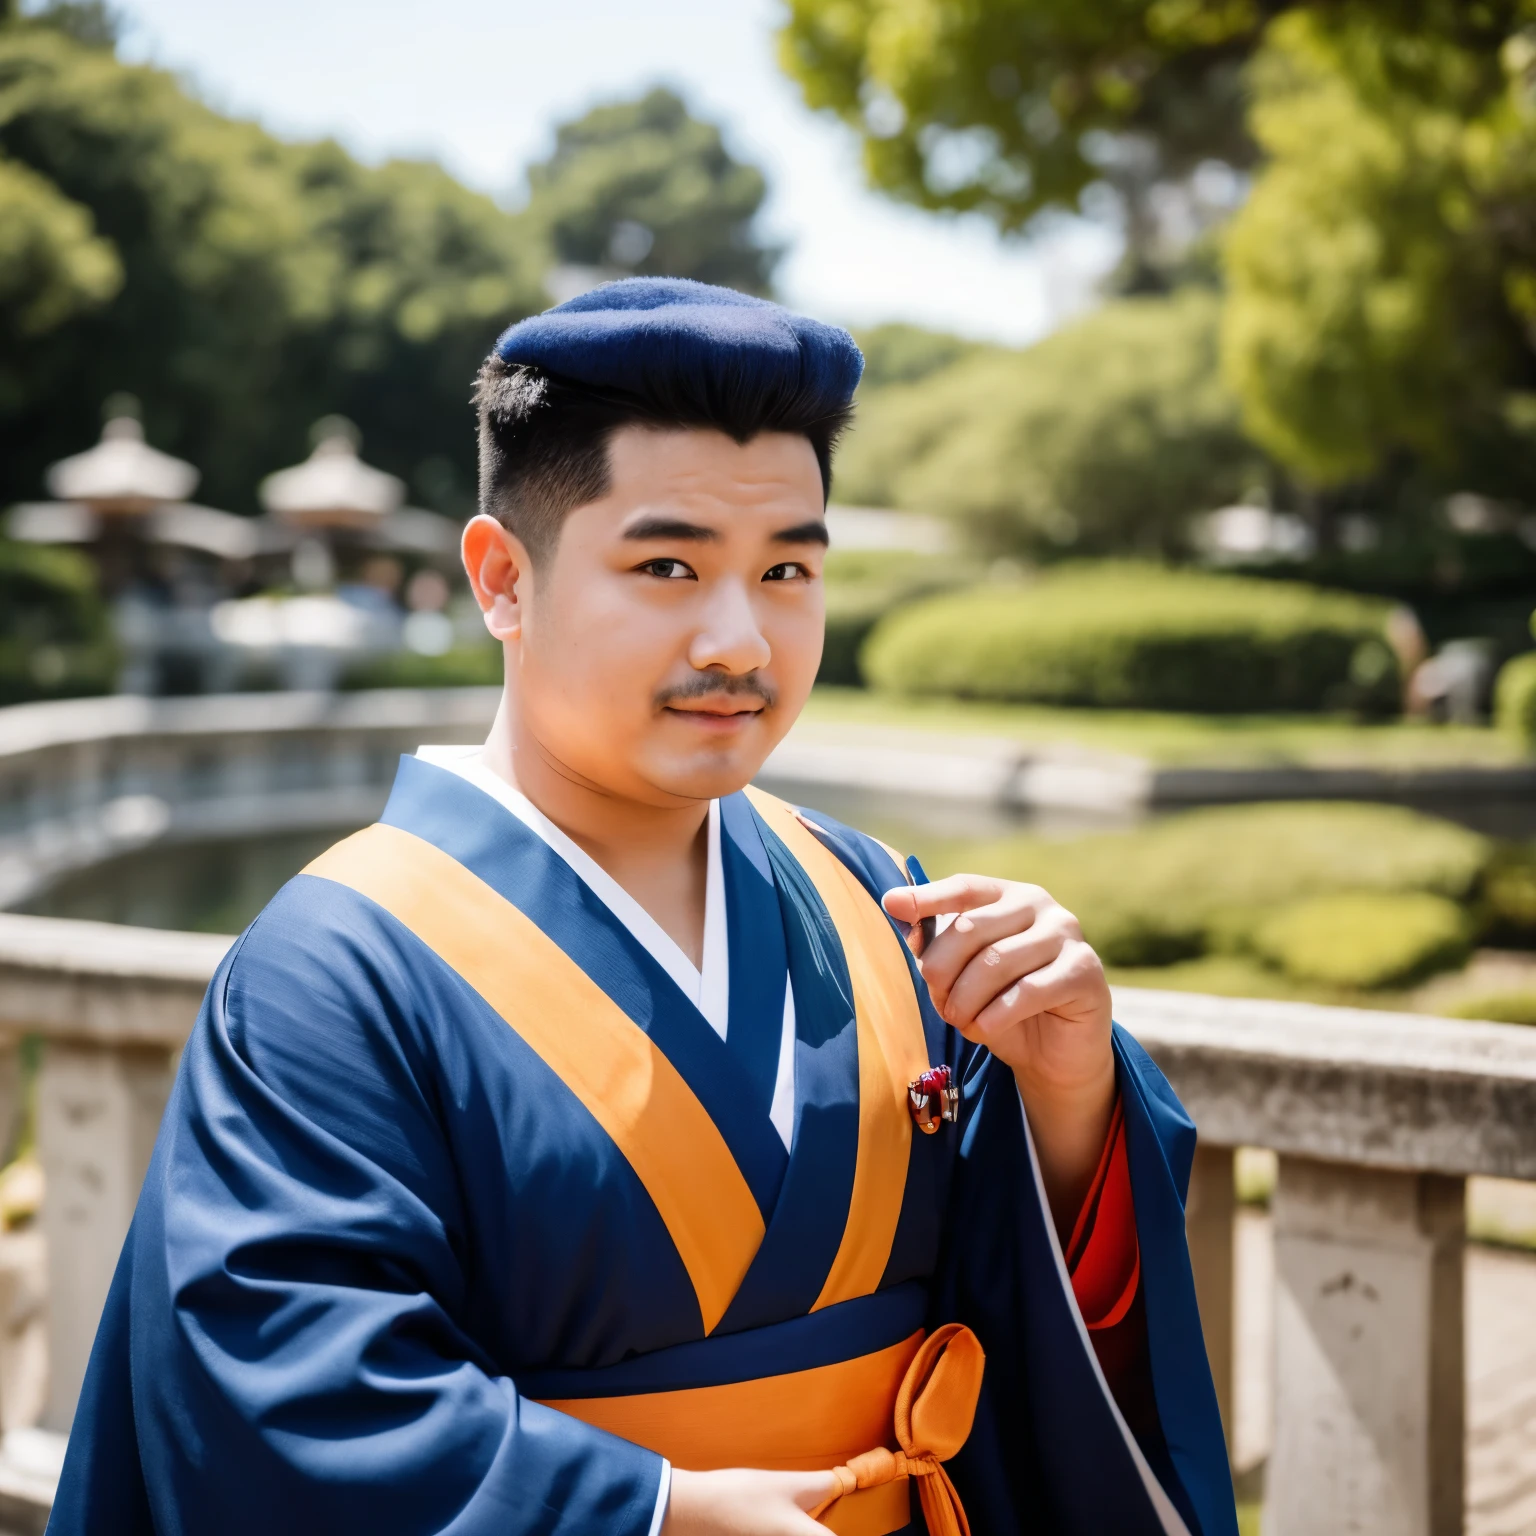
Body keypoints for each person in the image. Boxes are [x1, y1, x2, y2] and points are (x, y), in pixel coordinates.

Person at [49, 279, 1235, 1536]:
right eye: (668, 565)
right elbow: (287, 1391)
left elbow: (1023, 1298)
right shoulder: (336, 964)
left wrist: (1065, 1097)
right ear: (502, 578)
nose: (742, 641)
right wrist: (659, 1510)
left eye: (788, 568)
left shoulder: (875, 895)